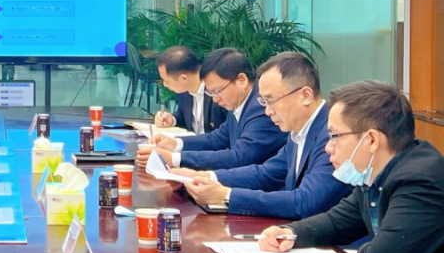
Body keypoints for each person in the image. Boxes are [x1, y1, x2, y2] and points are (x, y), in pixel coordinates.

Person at [258, 80, 444, 253]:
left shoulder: (420, 181)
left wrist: (372, 249)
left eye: (335, 136)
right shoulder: (374, 174)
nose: (328, 147)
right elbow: (338, 222)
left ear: (372, 140)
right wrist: (290, 233)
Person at [172, 52, 351, 219]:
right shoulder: (299, 131)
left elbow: (305, 201)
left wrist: (227, 195)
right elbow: (266, 173)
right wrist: (206, 177)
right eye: (263, 101)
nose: (267, 111)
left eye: (271, 100)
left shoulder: (333, 135)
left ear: (305, 95)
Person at [138, 48, 286, 170]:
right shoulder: (239, 101)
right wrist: (175, 144)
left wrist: (176, 158)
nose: (215, 99)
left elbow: (239, 157)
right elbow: (217, 139)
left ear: (241, 80)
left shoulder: (262, 108)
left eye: (217, 91)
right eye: (211, 93)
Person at [154, 46, 229, 134]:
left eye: (167, 80)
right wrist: (172, 120)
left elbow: (226, 134)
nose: (164, 84)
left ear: (183, 78)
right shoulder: (184, 90)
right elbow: (183, 116)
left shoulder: (219, 91)